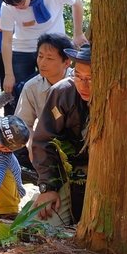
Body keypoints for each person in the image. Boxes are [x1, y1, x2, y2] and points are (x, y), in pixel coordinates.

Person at [31, 44, 91, 226]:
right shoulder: (62, 92)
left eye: (91, 78)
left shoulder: (121, 98)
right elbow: (44, 140)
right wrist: (48, 186)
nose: (83, 84)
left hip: (108, 180)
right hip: (69, 176)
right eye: (78, 76)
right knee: (35, 227)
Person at [0, 0, 87, 96]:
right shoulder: (8, 6)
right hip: (22, 49)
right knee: (20, 92)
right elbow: (6, 41)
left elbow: (77, 3)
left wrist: (77, 33)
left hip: (52, 47)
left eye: (20, 3)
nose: (17, 7)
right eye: (13, 5)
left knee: (56, 87)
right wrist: (9, 74)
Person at [13, 33, 73, 169]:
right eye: (40, 56)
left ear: (67, 62)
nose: (43, 63)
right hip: (48, 143)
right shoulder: (31, 87)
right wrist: (32, 146)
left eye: (50, 58)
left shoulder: (79, 82)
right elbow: (23, 124)